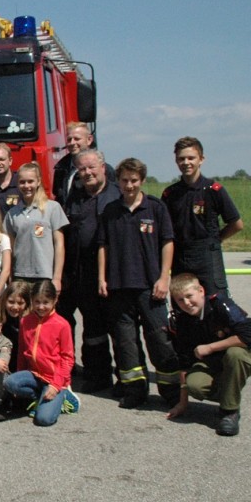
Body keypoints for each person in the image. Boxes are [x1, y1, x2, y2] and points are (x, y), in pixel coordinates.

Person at [97, 157, 180, 409]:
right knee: (126, 343)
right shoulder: (111, 211)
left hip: (150, 286)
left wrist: (164, 277)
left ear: (142, 181)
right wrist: (102, 277)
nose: (129, 185)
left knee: (160, 340)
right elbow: (103, 246)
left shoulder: (156, 208)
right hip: (119, 286)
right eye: (124, 180)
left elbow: (167, 242)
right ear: (118, 181)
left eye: (134, 180)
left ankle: (171, 391)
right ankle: (135, 390)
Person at [166, 274, 251, 436]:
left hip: (246, 354)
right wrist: (182, 403)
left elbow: (248, 337)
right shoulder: (183, 321)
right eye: (180, 300)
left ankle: (229, 412)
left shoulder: (221, 304)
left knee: (235, 355)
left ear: (201, 291)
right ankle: (230, 394)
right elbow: (184, 361)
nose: (186, 303)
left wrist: (210, 347)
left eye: (189, 296)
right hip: (214, 362)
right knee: (194, 385)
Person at [62, 149, 121, 393]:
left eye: (91, 168)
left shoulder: (117, 195)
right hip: (80, 271)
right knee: (92, 328)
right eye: (82, 169)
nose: (87, 173)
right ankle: (97, 374)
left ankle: (128, 379)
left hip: (109, 273)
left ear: (103, 167)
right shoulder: (75, 197)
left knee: (118, 327)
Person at [162, 136, 243, 297]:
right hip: (181, 256)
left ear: (201, 159)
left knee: (217, 304)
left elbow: (237, 224)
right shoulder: (170, 194)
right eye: (181, 158)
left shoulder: (213, 190)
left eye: (191, 158)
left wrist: (216, 239)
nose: (186, 162)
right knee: (183, 304)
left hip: (207, 256)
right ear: (176, 161)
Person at [3, 281, 79, 426]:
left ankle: (64, 396)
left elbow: (67, 359)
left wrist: (56, 385)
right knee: (10, 382)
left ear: (55, 300)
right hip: (34, 375)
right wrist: (19, 375)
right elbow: (22, 352)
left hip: (54, 379)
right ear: (31, 300)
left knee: (43, 419)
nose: (41, 307)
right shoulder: (26, 321)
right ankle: (38, 397)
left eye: (46, 302)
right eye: (37, 302)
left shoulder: (62, 324)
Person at [3, 162, 68, 292]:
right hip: (20, 276)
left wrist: (57, 278)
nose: (26, 186)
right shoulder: (12, 213)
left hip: (45, 275)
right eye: (22, 182)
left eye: (30, 181)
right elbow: (8, 249)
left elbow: (59, 244)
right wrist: (10, 276)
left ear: (38, 181)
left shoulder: (52, 208)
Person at [52, 122, 115, 202]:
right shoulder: (60, 169)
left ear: (89, 140)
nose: (72, 143)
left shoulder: (104, 170)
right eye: (69, 139)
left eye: (77, 139)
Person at [0, 280, 31, 371]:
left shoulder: (31, 321)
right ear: (5, 300)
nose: (15, 307)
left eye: (20, 303)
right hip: (2, 362)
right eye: (11, 302)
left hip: (24, 365)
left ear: (27, 303)